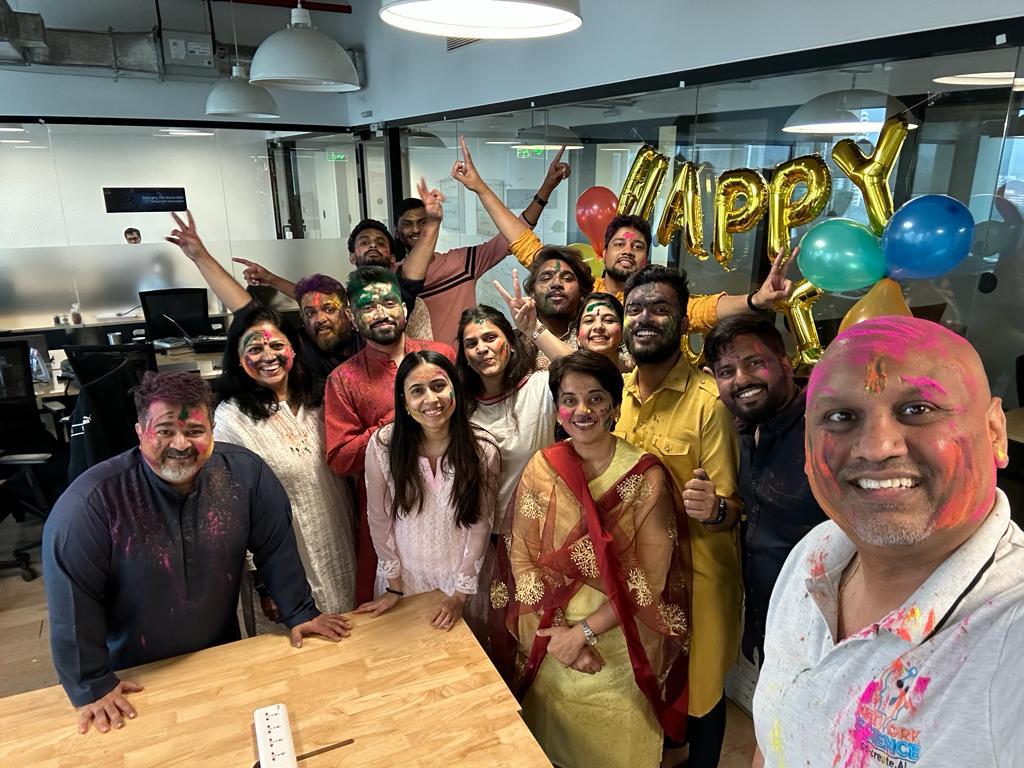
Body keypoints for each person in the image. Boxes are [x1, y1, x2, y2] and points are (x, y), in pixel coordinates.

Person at [752, 316, 1023, 768]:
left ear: (994, 432)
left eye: (917, 409)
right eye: (841, 417)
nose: (877, 448)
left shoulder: (1011, 637)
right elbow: (774, 732)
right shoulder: (813, 556)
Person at [42, 372, 350, 735]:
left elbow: (276, 548)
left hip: (220, 656)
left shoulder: (245, 474)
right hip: (133, 676)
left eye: (194, 430)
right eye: (164, 430)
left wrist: (299, 612)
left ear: (213, 431)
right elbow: (72, 600)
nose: (180, 443)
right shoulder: (91, 504)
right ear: (140, 431)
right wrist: (91, 683)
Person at [496, 350, 690, 768]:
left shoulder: (645, 475)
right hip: (552, 638)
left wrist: (583, 633)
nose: (582, 410)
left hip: (621, 646)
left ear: (615, 408)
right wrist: (559, 637)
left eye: (596, 398)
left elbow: (650, 580)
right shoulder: (542, 467)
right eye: (569, 400)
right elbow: (522, 558)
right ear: (558, 410)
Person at [449, 136, 794, 335]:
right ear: (603, 252)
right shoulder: (583, 290)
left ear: (646, 259)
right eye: (619, 244)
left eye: (637, 246)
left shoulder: (656, 306)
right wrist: (480, 188)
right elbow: (524, 243)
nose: (628, 250)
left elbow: (704, 309)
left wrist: (756, 300)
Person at [612, 265, 742, 768]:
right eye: (635, 309)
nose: (645, 318)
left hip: (700, 577)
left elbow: (733, 510)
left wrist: (715, 509)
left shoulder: (710, 403)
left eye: (660, 309)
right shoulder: (617, 396)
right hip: (640, 574)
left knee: (702, 694)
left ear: (684, 322)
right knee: (651, 679)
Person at [213, 304, 357, 616]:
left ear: (293, 349)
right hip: (284, 562)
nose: (268, 356)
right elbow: (232, 508)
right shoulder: (230, 419)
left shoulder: (322, 398)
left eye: (277, 345)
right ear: (238, 359)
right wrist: (264, 585)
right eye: (255, 349)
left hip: (341, 539)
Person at [325, 266, 455, 603]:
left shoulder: (443, 356)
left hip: (452, 500)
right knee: (396, 615)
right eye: (368, 306)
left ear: (405, 309)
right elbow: (340, 459)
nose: (381, 313)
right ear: (352, 318)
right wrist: (395, 419)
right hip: (390, 511)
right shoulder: (343, 379)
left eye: (389, 302)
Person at [702, 316, 827, 665]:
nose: (741, 379)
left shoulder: (826, 429)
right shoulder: (744, 429)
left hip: (823, 636)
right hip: (768, 625)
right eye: (727, 371)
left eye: (754, 363)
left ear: (785, 362)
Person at [356, 351, 499, 638]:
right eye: (417, 391)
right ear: (404, 401)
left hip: (462, 581)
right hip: (404, 580)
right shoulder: (383, 445)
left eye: (438, 386)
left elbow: (481, 524)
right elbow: (379, 518)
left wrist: (460, 595)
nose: (431, 399)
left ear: (455, 390)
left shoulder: (482, 449)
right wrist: (394, 585)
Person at [392, 145, 572, 346]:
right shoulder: (392, 278)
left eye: (423, 222)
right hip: (421, 365)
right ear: (396, 231)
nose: (416, 229)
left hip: (469, 362)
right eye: (407, 224)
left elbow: (515, 236)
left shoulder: (461, 262)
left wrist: (547, 187)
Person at [456, 304, 558, 531]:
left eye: (490, 338)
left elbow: (585, 373)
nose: (481, 348)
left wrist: (534, 328)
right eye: (471, 344)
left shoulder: (539, 388)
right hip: (481, 533)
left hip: (539, 528)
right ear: (465, 357)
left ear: (511, 344)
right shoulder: (459, 407)